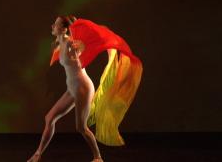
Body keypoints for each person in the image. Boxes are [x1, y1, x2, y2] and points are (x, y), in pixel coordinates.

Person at [28, 16, 143, 162]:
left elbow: (82, 47)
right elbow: (58, 48)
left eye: (55, 25)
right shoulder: (59, 42)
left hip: (83, 87)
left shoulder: (72, 43)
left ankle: (98, 157)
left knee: (81, 128)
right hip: (72, 88)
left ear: (64, 29)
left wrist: (80, 47)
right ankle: (38, 154)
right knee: (49, 118)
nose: (52, 26)